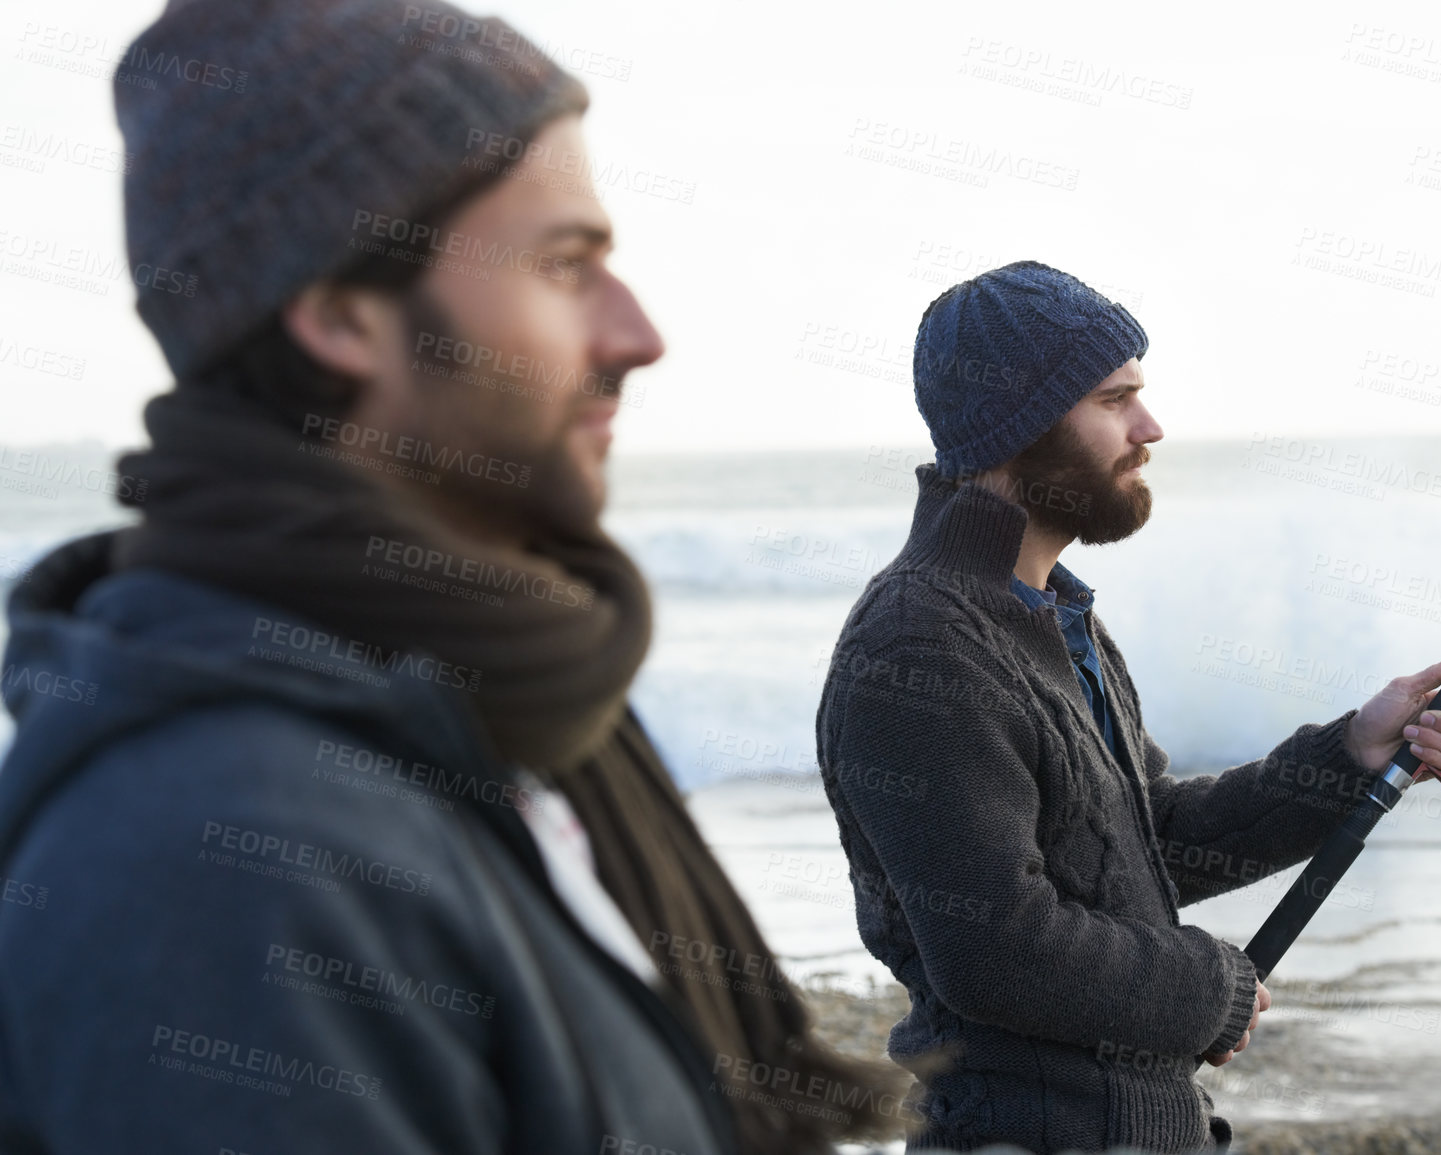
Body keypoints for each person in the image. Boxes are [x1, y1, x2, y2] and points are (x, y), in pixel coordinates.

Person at [0, 1, 902, 1151]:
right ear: (340, 314)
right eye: (566, 265)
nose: (638, 334)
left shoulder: (478, 704)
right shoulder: (229, 856)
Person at [814, 261, 1441, 1153]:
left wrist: (1351, 755)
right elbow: (997, 949)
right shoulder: (919, 648)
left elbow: (1145, 841)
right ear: (1017, 423)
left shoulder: (1051, 610)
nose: (1150, 426)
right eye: (1113, 399)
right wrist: (1215, 986)